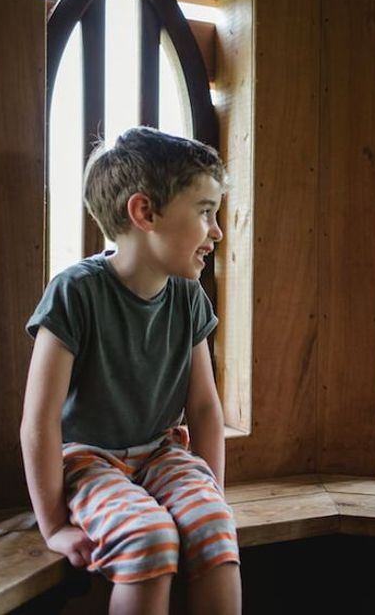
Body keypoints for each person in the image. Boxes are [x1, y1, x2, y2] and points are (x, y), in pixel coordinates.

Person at [20, 127, 241, 615]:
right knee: (148, 537)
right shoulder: (75, 293)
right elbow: (39, 421)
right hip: (88, 460)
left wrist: (210, 499)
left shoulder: (188, 297)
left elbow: (203, 407)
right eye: (205, 212)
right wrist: (54, 526)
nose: (217, 231)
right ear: (145, 212)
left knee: (213, 526)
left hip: (162, 453)